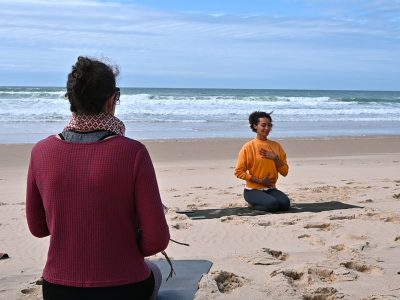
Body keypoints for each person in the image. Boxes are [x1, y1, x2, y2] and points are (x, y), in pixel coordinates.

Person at [26, 56, 170, 300]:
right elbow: (156, 241)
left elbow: (38, 228)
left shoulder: (41, 152)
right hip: (124, 288)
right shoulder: (133, 152)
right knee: (155, 271)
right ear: (112, 100)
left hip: (58, 289)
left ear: (70, 99)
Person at [234, 111, 290, 212]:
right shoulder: (248, 147)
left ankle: (267, 202)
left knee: (285, 204)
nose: (267, 128)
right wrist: (259, 181)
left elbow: (285, 172)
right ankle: (253, 204)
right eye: (263, 125)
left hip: (271, 189)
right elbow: (239, 172)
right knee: (273, 205)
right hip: (252, 191)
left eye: (269, 125)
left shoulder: (276, 146)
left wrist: (276, 158)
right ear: (255, 126)